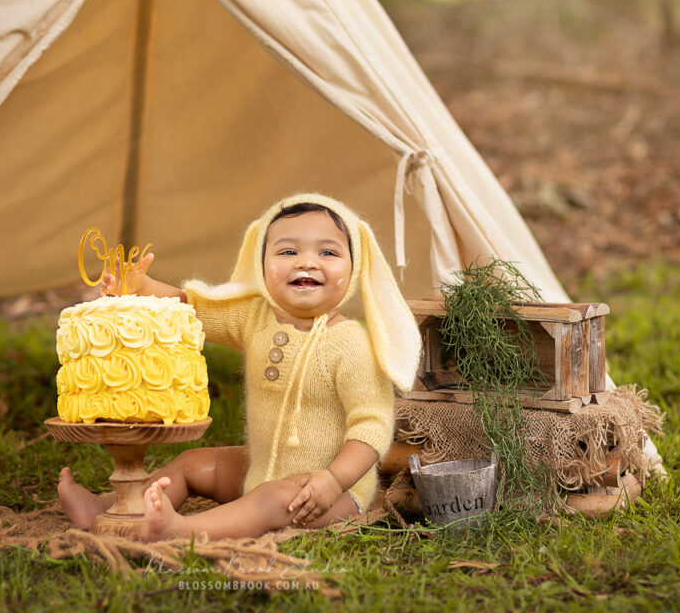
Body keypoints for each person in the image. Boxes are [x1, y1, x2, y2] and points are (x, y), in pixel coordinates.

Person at [57, 193, 421, 541]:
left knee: (268, 501)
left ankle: (181, 531)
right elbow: (192, 306)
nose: (306, 262)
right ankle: (115, 508)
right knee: (193, 464)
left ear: (354, 269)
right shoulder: (255, 318)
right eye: (288, 251)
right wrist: (143, 286)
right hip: (262, 469)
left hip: (327, 495)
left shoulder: (351, 343)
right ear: (262, 266)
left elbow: (372, 425)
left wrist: (334, 480)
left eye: (328, 252)